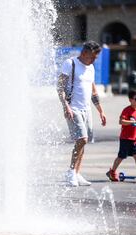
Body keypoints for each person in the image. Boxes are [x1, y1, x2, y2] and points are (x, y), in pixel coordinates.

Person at [57, 41, 107, 187]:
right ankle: (71, 172)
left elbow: (93, 91)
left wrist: (100, 111)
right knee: (82, 139)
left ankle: (77, 173)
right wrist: (66, 106)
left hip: (87, 110)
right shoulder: (70, 63)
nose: (94, 60)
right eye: (93, 57)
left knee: (84, 142)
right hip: (73, 108)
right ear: (84, 53)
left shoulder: (90, 68)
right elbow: (59, 86)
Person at [106, 89, 136, 181]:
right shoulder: (127, 110)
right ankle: (112, 172)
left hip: (135, 139)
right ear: (130, 100)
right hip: (126, 138)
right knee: (121, 156)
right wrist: (132, 122)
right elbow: (121, 121)